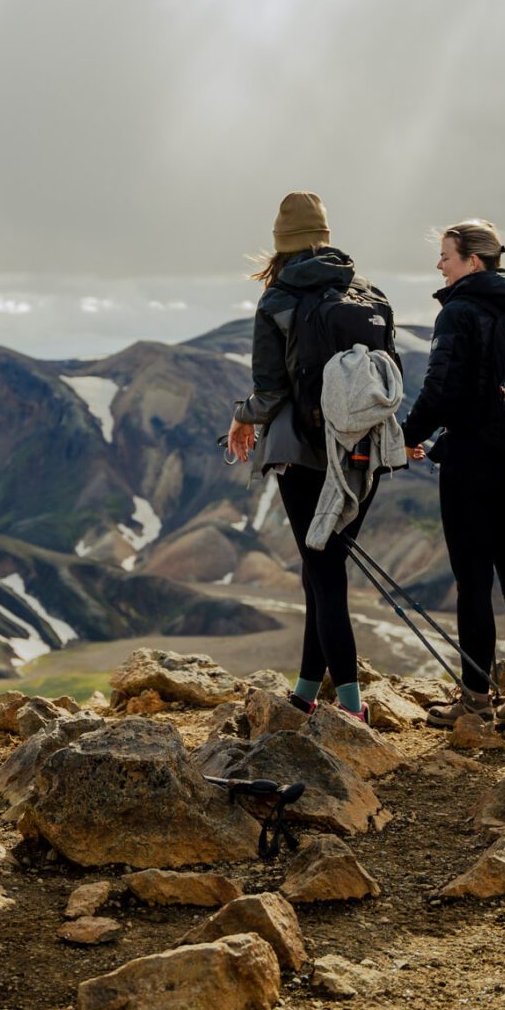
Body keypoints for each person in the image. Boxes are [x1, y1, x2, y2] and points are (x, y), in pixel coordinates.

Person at [226, 192, 393, 722]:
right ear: (325, 236)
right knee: (323, 569)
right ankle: (304, 692)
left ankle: (349, 708)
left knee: (323, 575)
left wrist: (241, 416)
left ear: (280, 245)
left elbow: (270, 392)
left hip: (302, 453)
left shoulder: (277, 301)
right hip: (362, 452)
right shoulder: (368, 293)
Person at [401, 219, 505, 728]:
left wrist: (408, 434)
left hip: (472, 464)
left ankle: (475, 702)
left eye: (446, 256)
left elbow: (442, 387)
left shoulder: (458, 312)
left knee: (473, 584)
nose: (440, 265)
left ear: (472, 262)